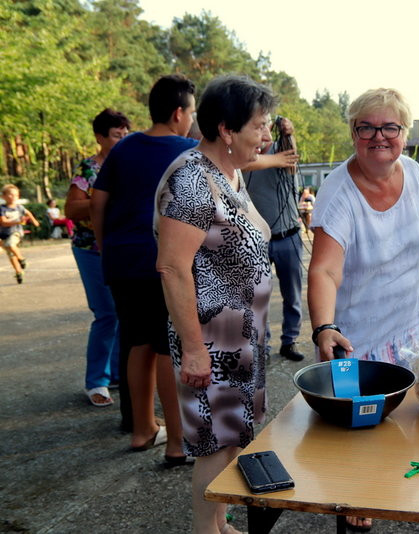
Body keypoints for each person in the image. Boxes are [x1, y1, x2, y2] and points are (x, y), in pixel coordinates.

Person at [308, 88, 419, 531]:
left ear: (404, 133)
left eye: (390, 127)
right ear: (353, 132)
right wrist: (324, 327)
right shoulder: (338, 192)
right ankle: (353, 494)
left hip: (408, 324)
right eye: (366, 127)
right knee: (357, 429)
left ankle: (386, 484)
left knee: (404, 420)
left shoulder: (412, 172)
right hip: (357, 339)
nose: (379, 137)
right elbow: (324, 271)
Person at [156, 74, 275, 534]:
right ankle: (206, 532)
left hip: (241, 337)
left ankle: (221, 525)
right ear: (226, 129)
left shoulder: (229, 173)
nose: (266, 136)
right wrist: (193, 348)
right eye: (259, 126)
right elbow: (171, 267)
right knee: (214, 444)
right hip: (211, 341)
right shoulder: (190, 180)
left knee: (232, 441)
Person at [91, 74, 197, 460]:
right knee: (169, 347)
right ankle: (175, 443)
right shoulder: (188, 149)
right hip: (158, 260)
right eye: (191, 112)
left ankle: (141, 430)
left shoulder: (124, 147)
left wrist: (105, 246)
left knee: (137, 343)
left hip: (121, 258)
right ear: (177, 113)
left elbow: (98, 201)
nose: (191, 119)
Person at [65, 108, 130, 408]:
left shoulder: (130, 165)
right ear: (100, 137)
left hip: (122, 248)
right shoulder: (89, 169)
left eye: (125, 133)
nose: (123, 139)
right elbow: (72, 210)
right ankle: (96, 381)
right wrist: (103, 198)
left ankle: (118, 373)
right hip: (91, 249)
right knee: (106, 314)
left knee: (123, 313)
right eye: (116, 135)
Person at [242, 116, 304, 362]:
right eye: (258, 127)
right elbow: (244, 163)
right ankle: (262, 346)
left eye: (267, 126)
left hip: (288, 234)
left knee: (293, 295)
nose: (264, 132)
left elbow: (291, 152)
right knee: (259, 297)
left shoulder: (282, 151)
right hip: (256, 239)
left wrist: (289, 131)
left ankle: (290, 341)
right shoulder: (244, 156)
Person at [1, 184, 40, 284]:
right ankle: (18, 272)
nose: (13, 197)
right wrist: (18, 221)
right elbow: (3, 222)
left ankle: (22, 259)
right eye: (10, 195)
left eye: (16, 195)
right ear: (3, 196)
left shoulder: (20, 207)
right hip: (4, 234)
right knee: (11, 254)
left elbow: (28, 213)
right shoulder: (2, 209)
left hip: (16, 232)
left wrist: (34, 221)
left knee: (10, 244)